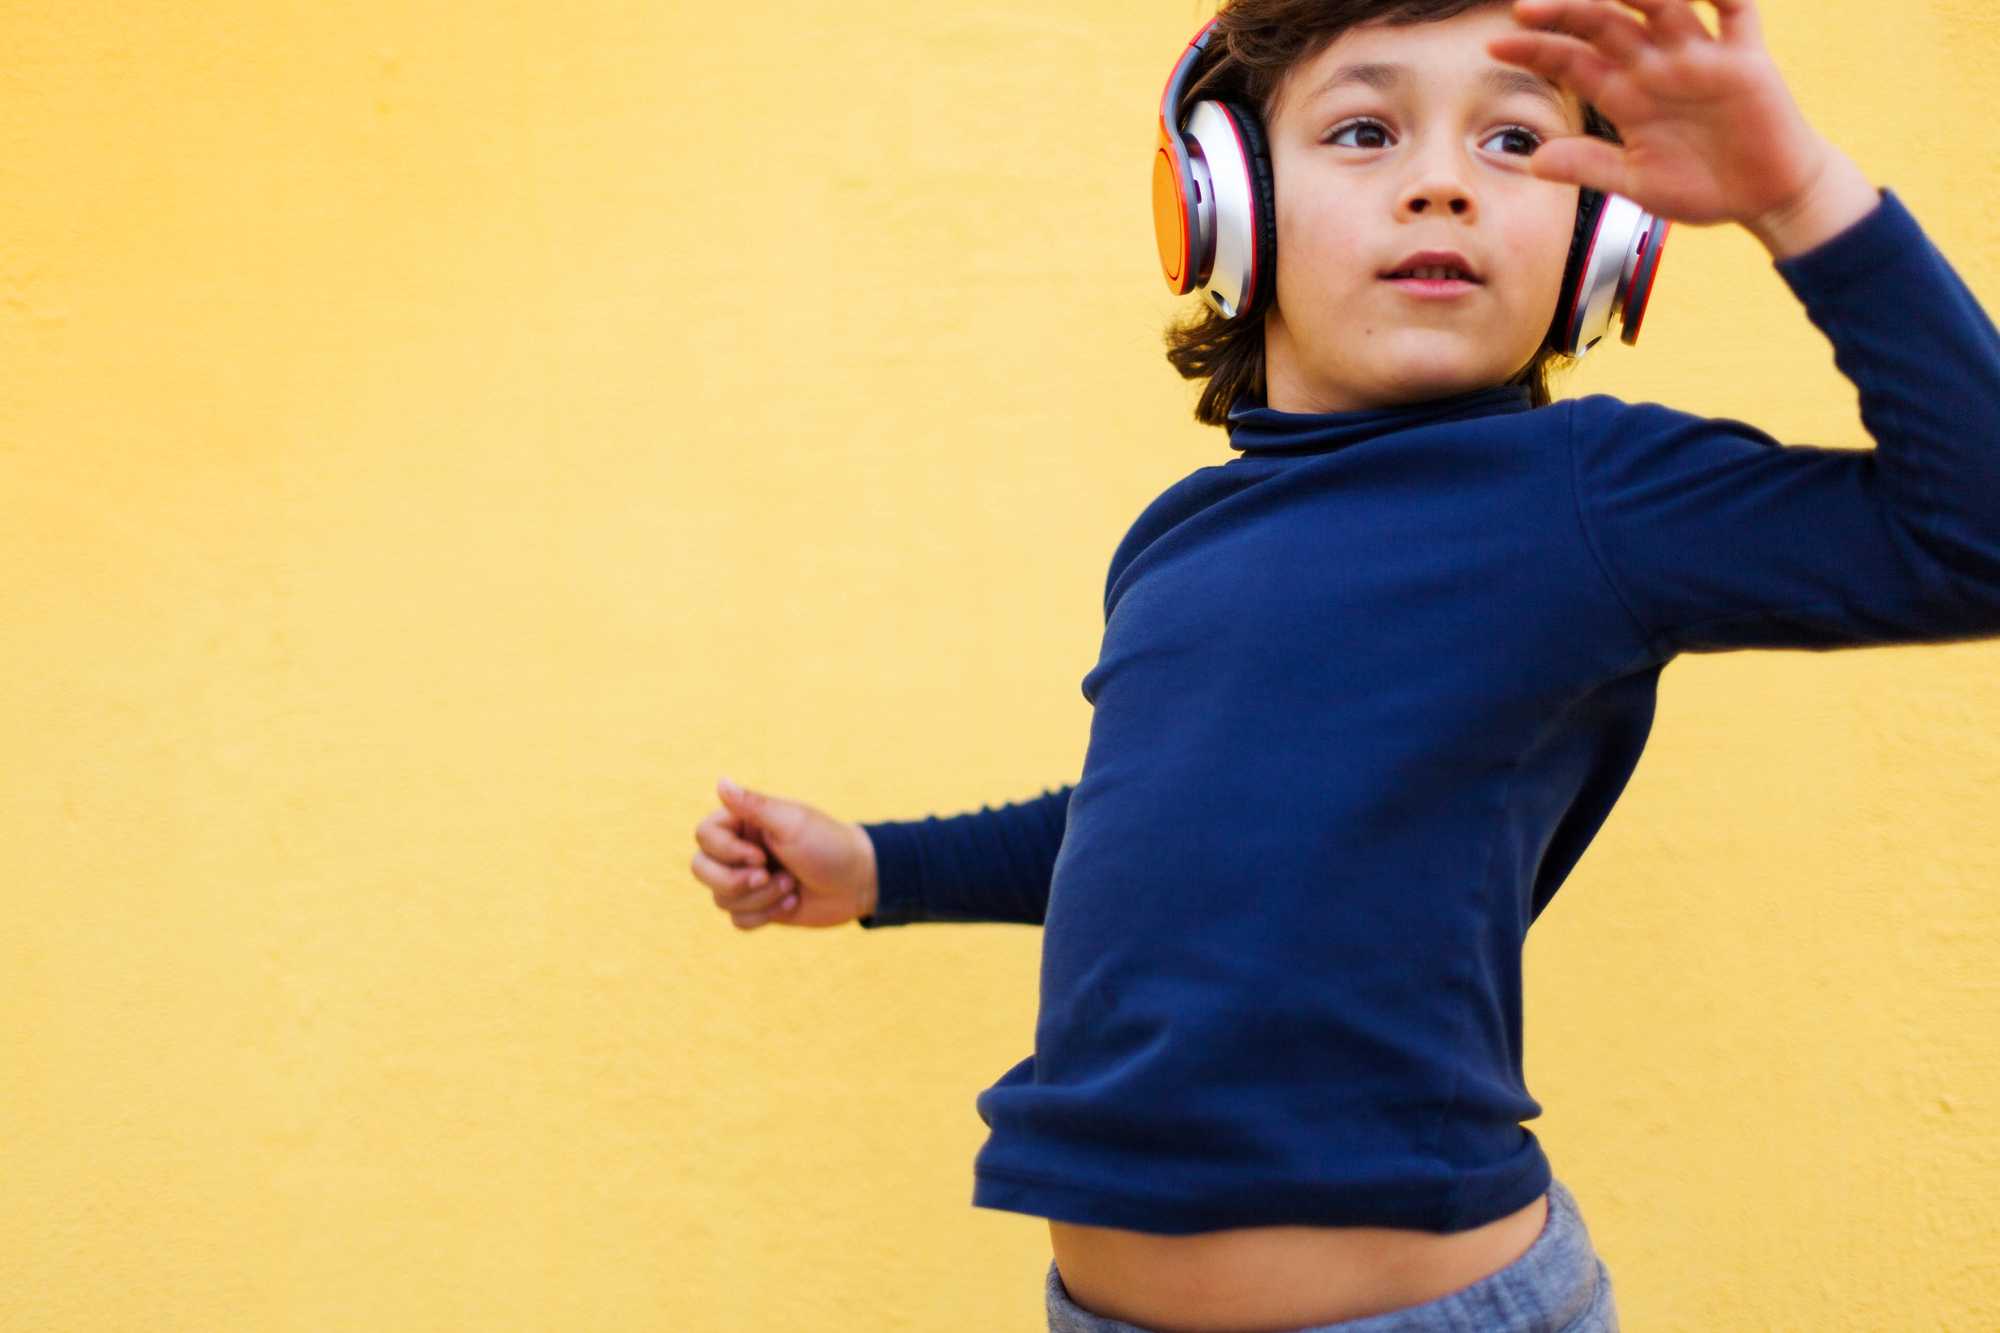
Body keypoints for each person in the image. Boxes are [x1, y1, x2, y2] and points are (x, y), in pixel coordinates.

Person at [691, 0, 2000, 1328]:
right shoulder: (1176, 542)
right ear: (1226, 202)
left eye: (1514, 141)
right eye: (1366, 130)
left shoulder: (1587, 496)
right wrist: (881, 869)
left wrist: (1797, 196)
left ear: (1603, 239)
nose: (1441, 182)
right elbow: (1171, 828)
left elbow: (1982, 538)